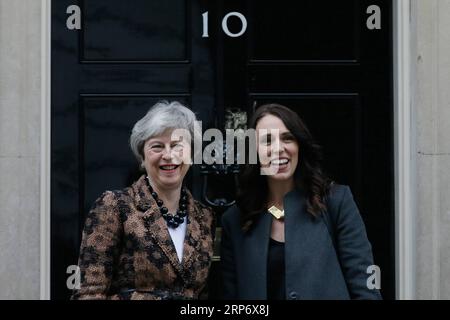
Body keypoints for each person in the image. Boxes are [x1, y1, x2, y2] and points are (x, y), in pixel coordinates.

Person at [220, 103, 382, 300]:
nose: (278, 149)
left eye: (287, 138)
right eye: (267, 141)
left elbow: (365, 286)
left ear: (299, 146)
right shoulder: (235, 220)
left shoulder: (336, 203)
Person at [72, 101, 215, 300]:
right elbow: (88, 293)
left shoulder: (205, 217)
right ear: (142, 157)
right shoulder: (114, 206)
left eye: (177, 146)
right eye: (157, 146)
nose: (168, 155)